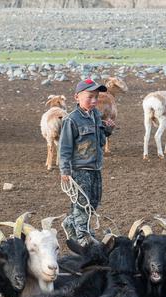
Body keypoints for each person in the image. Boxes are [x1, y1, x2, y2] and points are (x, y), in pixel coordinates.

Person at [59, 79, 115, 245]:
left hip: (96, 167)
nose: (94, 101)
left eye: (96, 97)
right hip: (80, 169)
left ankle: (70, 223)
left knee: (94, 201)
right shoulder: (71, 120)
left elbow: (101, 141)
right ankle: (83, 238)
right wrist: (65, 171)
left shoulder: (96, 115)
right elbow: (65, 148)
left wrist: (108, 130)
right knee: (83, 203)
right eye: (90, 97)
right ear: (77, 97)